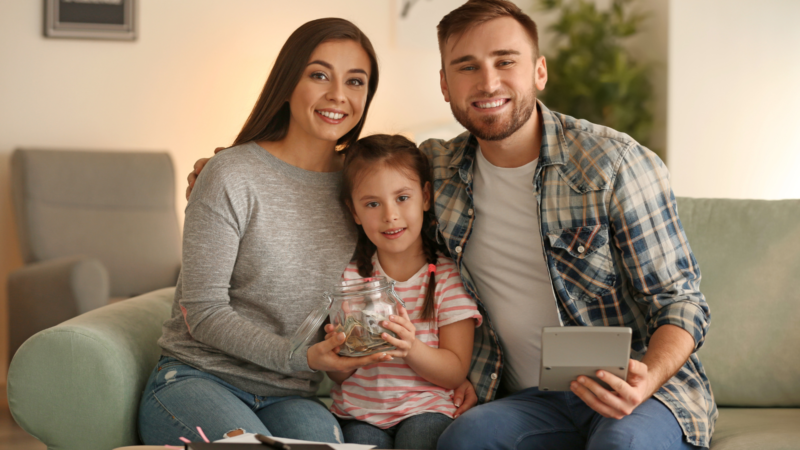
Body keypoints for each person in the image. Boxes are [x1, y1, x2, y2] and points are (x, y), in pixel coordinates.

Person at [187, 1, 717, 449]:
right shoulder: (439, 169)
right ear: (445, 84)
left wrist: (648, 376)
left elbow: (681, 301)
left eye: (504, 62)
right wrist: (228, 166)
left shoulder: (614, 164)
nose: (487, 82)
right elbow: (369, 175)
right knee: (463, 439)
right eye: (466, 66)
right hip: (528, 401)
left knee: (620, 442)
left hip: (637, 391)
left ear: (539, 71)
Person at [137, 18, 394, 446]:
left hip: (292, 394)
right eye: (319, 75)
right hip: (200, 379)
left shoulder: (364, 190)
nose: (338, 95)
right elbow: (202, 314)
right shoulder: (230, 174)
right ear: (288, 82)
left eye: (355, 81)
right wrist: (301, 357)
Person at [326, 134, 482, 449]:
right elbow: (338, 377)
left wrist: (411, 347)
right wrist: (346, 351)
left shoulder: (446, 278)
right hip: (359, 415)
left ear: (425, 197)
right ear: (354, 212)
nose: (390, 215)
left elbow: (454, 372)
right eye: (372, 203)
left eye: (402, 198)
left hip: (427, 410)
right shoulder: (349, 279)